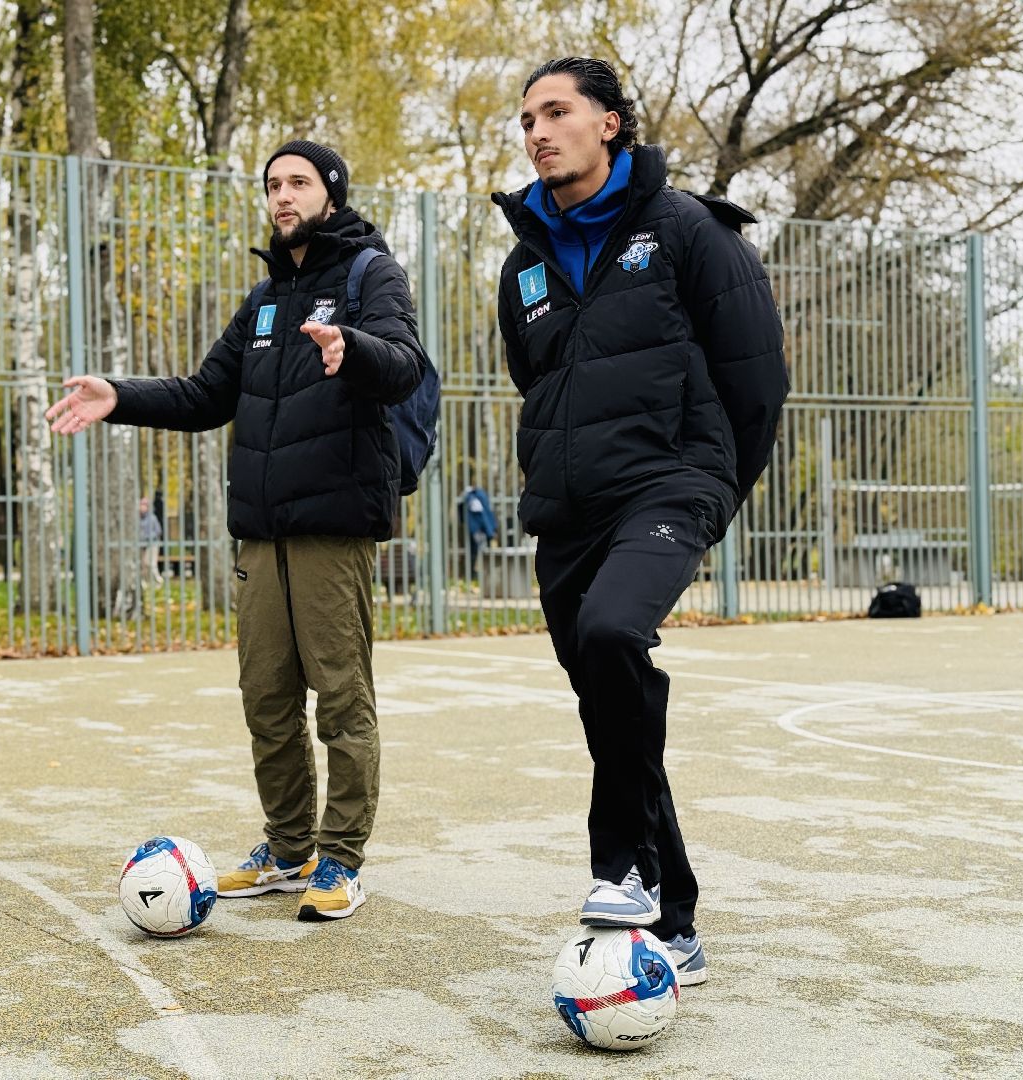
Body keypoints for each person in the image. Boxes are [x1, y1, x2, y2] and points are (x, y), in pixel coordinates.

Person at [47, 140, 427, 921]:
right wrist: (120, 395)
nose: (283, 196)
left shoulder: (369, 274)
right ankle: (289, 849)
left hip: (333, 527)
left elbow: (403, 364)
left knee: (341, 699)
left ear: (331, 190)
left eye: (298, 182)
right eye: (272, 185)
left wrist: (349, 346)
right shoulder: (262, 302)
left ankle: (341, 858)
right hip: (262, 532)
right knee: (266, 699)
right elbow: (203, 392)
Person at [492, 58, 788, 984]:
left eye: (558, 112)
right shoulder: (523, 265)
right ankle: (679, 923)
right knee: (610, 714)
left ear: (611, 123)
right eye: (528, 118)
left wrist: (711, 491)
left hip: (673, 483)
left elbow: (756, 378)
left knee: (617, 631)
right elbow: (539, 382)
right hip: (569, 511)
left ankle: (617, 864)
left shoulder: (690, 231)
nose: (538, 132)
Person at [138, 495, 164, 583]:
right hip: (142, 544)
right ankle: (144, 582)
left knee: (152, 564)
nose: (142, 507)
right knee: (143, 564)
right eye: (141, 504)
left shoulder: (152, 518)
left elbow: (158, 531)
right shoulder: (138, 519)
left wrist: (148, 537)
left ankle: (158, 580)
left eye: (144, 505)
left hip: (152, 544)